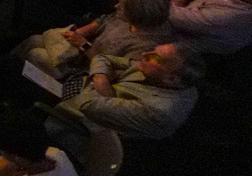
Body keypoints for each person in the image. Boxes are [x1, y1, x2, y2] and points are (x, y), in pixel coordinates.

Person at [12, 0, 174, 77]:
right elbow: (105, 20)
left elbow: (112, 72)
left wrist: (84, 45)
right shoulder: (131, 19)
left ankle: (13, 73)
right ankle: (9, 60)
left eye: (122, 6)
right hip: (79, 51)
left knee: (37, 55)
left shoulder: (145, 47)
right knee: (35, 40)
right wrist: (84, 30)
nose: (116, 6)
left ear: (137, 13)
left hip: (84, 70)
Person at [57, 43, 203, 140]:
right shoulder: (156, 73)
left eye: (154, 57)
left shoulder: (159, 110)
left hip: (85, 129)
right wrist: (101, 78)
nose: (144, 54)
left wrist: (101, 78)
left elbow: (87, 104)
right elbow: (102, 57)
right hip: (88, 93)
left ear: (171, 79)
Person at [166, 0, 252, 54]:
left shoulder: (235, 15)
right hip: (172, 14)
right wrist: (176, 1)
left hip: (179, 44)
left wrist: (176, 3)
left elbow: (173, 17)